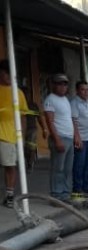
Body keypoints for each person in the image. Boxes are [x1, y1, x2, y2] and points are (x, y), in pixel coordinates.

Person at [44, 73, 79, 201]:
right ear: (53, 85)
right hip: (59, 137)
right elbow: (49, 121)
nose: (63, 86)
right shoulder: (50, 99)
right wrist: (57, 139)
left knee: (67, 168)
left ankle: (65, 192)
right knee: (58, 168)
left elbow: (69, 119)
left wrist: (75, 135)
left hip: (69, 137)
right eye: (60, 84)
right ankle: (56, 194)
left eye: (65, 84)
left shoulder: (65, 100)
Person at [0, 59, 29, 206]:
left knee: (10, 165)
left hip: (10, 136)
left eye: (10, 74)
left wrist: (21, 137)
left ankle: (10, 195)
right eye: (6, 74)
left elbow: (23, 116)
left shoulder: (18, 93)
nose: (8, 77)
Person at [70, 80, 88, 197]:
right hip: (81, 139)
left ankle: (87, 186)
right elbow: (74, 121)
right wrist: (77, 137)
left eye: (87, 90)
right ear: (77, 90)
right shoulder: (75, 103)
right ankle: (77, 188)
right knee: (79, 165)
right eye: (83, 89)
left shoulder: (87, 103)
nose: (85, 92)